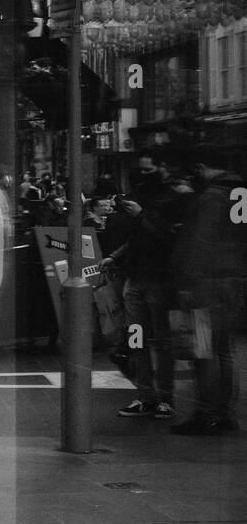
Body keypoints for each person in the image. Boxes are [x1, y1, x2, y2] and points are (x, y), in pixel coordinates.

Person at [100, 155, 183, 420]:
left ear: (160, 169)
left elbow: (169, 236)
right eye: (141, 169)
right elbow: (136, 239)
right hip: (135, 279)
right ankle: (146, 394)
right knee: (136, 337)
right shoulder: (140, 197)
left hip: (159, 279)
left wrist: (141, 215)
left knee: (162, 340)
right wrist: (115, 256)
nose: (144, 174)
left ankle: (165, 397)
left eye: (149, 168)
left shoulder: (170, 199)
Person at [170, 158, 245, 435]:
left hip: (207, 283)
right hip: (233, 281)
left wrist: (187, 282)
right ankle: (224, 412)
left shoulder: (211, 198)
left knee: (203, 350)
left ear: (202, 167)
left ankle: (206, 413)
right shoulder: (240, 194)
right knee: (224, 350)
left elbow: (200, 242)